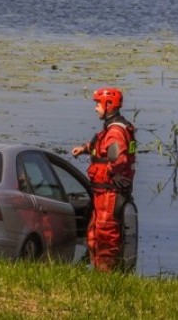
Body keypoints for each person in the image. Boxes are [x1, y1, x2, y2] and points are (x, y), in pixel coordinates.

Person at [71, 87, 136, 272]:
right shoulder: (112, 128)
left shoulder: (115, 131)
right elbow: (101, 145)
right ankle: (99, 270)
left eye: (97, 104)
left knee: (106, 234)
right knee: (94, 234)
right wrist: (84, 149)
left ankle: (107, 276)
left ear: (109, 105)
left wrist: (109, 172)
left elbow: (118, 159)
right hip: (103, 192)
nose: (95, 108)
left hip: (110, 192)